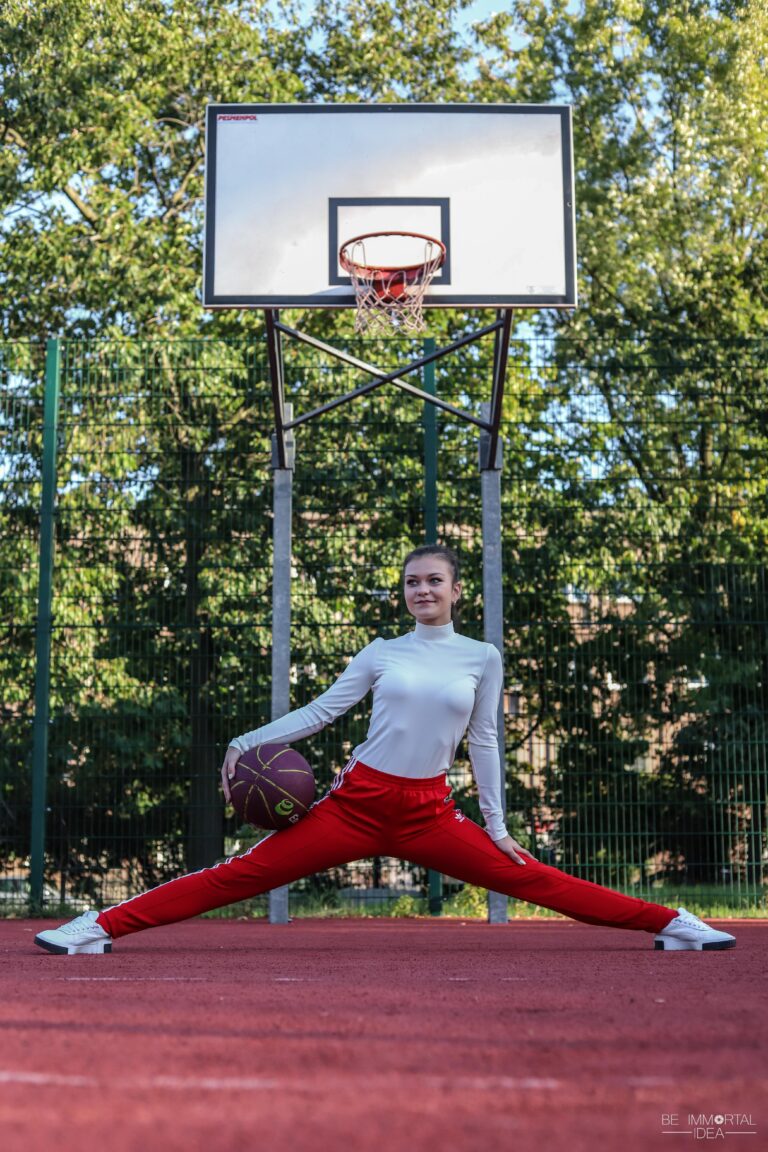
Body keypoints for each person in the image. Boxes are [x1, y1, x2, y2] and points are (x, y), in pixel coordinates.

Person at [35, 544, 736, 956]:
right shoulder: (381, 651)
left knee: (532, 878)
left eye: (433, 581)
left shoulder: (481, 656)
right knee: (237, 876)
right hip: (356, 804)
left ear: (456, 590)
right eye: (411, 582)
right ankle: (97, 927)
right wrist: (247, 740)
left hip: (430, 812)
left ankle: (671, 924)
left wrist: (497, 825)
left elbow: (484, 741)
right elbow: (322, 712)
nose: (421, 590)